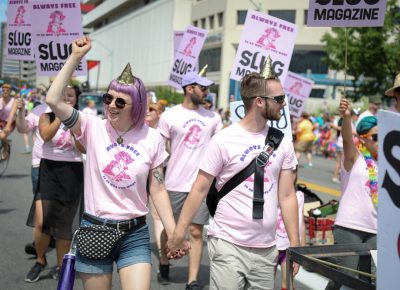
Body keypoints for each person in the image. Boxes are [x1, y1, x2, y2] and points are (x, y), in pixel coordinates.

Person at [45, 36, 184, 290]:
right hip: (95, 229)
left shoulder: (152, 138)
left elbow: (158, 188)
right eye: (108, 98)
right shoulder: (91, 126)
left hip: (135, 234)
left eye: (120, 101)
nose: (111, 106)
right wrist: (76, 57)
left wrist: (173, 231)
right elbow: (53, 100)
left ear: (137, 105)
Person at [167, 62, 300, 290]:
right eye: (278, 99)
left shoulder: (283, 142)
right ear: (259, 101)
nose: (284, 103)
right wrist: (179, 232)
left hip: (267, 248)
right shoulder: (224, 139)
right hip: (228, 244)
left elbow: (287, 196)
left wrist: (295, 245)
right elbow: (199, 188)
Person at [157, 70, 223, 288]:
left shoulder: (213, 117)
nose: (206, 92)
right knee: (172, 230)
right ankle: (164, 262)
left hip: (201, 185)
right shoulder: (169, 116)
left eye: (207, 88)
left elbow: (221, 147)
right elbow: (159, 149)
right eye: (203, 88)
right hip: (174, 182)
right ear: (189, 88)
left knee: (195, 231)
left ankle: (192, 280)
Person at [25, 84, 85, 282]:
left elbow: (83, 148)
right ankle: (40, 260)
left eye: (70, 96)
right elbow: (45, 135)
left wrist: (75, 125)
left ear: (76, 99)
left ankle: (61, 267)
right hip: (49, 170)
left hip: (72, 173)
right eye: (63, 95)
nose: (67, 98)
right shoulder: (46, 115)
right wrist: (61, 114)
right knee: (42, 221)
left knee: (64, 226)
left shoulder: (81, 119)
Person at [325, 99, 377, 290]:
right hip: (349, 227)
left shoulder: (388, 162)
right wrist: (346, 118)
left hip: (376, 229)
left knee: (367, 281)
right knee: (344, 275)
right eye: (375, 137)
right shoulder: (354, 158)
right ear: (363, 138)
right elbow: (347, 140)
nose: (380, 141)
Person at [144, 100, 169, 284]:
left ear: (159, 114)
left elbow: (171, 153)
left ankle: (164, 261)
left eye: (151, 110)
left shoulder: (160, 133)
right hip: (138, 174)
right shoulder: (137, 130)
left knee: (158, 217)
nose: (147, 113)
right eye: (145, 110)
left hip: (158, 175)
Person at [275, 169, 306, 290]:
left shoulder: (299, 196)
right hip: (271, 246)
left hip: (288, 248)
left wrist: (301, 247)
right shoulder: (271, 193)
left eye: (293, 171)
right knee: (265, 283)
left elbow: (301, 224)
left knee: (287, 284)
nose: (290, 175)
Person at [0, 84, 16, 158]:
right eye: (3, 90)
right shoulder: (0, 100)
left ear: (10, 92)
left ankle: (6, 147)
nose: (5, 92)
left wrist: (7, 126)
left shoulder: (13, 101)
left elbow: (12, 115)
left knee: (2, 136)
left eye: (7, 90)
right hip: (1, 121)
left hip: (10, 122)